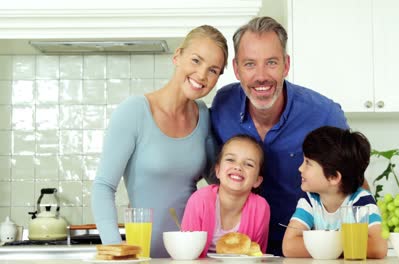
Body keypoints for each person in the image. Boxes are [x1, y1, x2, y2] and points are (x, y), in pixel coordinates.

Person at [210, 16, 353, 256]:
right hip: (238, 253)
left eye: (272, 63)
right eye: (250, 64)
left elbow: (353, 183)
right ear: (236, 69)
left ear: (286, 65)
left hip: (306, 252)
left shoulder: (324, 114)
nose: (261, 76)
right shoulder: (223, 106)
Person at [92, 25, 228, 258]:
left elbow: (218, 180)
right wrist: (117, 251)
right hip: (143, 256)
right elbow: (103, 186)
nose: (202, 75)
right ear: (177, 56)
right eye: (196, 60)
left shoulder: (203, 114)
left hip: (191, 255)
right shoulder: (134, 112)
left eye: (213, 70)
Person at [282, 126, 387, 259]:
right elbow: (289, 247)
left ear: (333, 177)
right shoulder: (310, 200)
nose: (300, 168)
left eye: (308, 163)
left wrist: (325, 248)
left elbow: (378, 247)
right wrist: (350, 246)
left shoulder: (361, 202)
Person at [181, 134, 270, 257]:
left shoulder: (260, 208)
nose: (238, 167)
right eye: (230, 160)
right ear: (217, 170)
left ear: (257, 181)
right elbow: (187, 253)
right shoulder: (200, 200)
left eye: (248, 164)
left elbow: (256, 256)